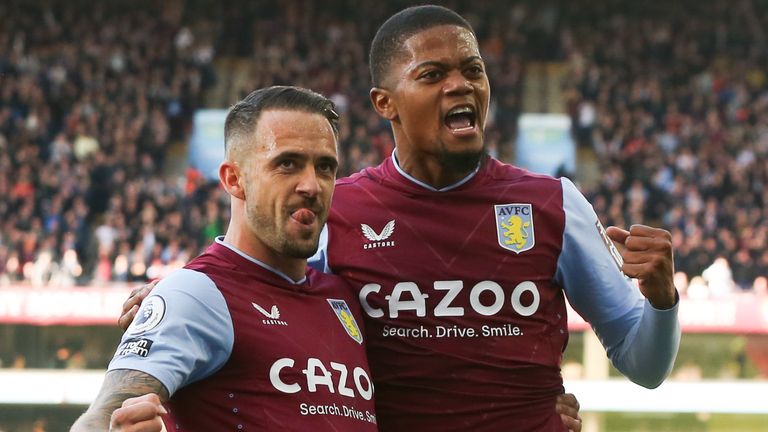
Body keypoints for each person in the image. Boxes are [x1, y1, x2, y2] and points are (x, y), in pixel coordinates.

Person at [121, 5, 679, 431]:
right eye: (433, 74)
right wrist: (186, 290)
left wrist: (660, 300)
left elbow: (645, 364)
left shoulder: (553, 204)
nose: (460, 85)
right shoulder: (338, 209)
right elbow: (256, 273)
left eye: (472, 70)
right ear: (384, 102)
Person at [71, 86, 378, 431]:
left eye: (324, 167)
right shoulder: (197, 294)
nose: (311, 185)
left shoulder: (344, 294)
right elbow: (99, 420)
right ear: (234, 179)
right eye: (287, 164)